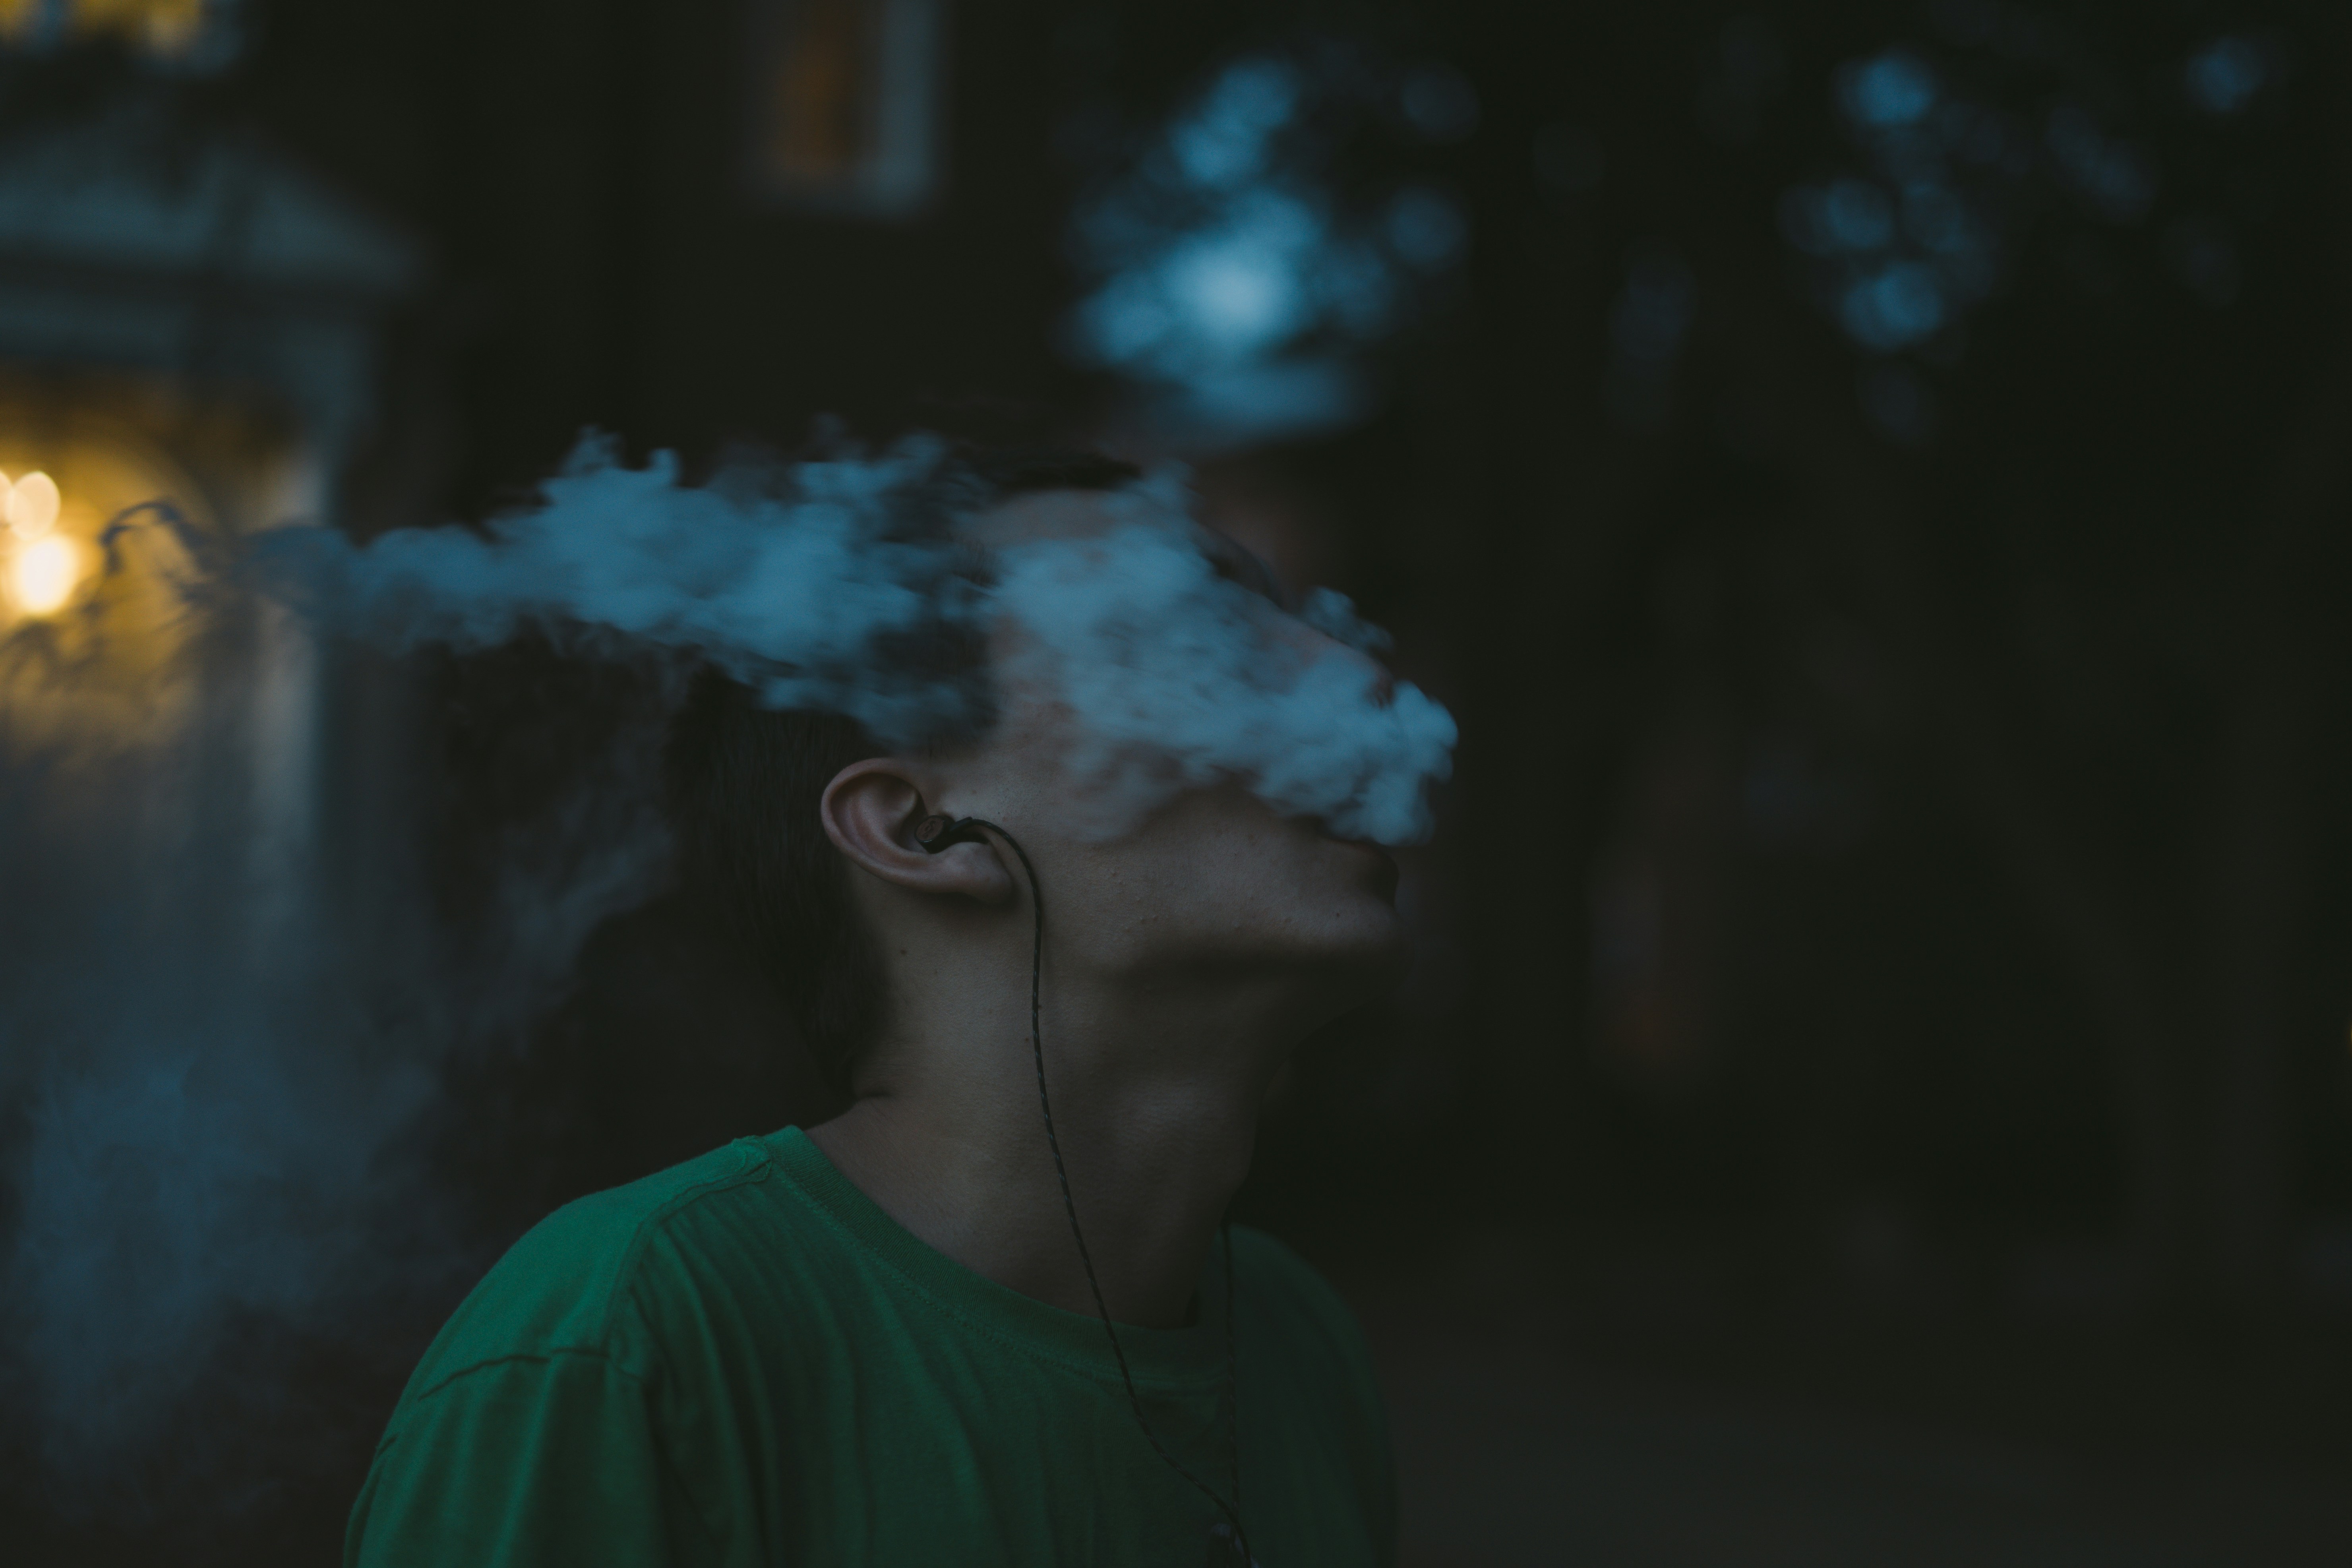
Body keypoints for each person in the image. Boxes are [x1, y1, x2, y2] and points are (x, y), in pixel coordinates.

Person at [344, 452, 1407, 1566]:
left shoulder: (1300, 1343)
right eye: (1199, 626)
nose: (1355, 673)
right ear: (917, 829)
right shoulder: (632, 1336)